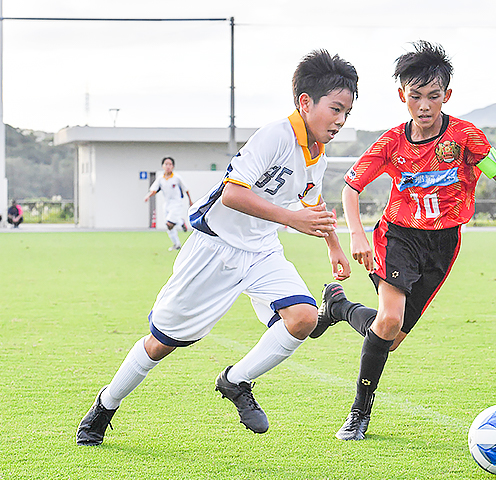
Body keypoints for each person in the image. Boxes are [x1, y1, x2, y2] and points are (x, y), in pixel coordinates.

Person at [76, 49, 358, 446]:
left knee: (303, 317)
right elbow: (231, 196)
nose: (341, 120)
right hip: (214, 249)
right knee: (159, 344)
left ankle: (236, 381)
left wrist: (333, 245)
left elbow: (313, 201)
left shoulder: (317, 154)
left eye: (348, 112)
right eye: (336, 109)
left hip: (261, 250)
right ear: (305, 102)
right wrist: (291, 219)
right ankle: (105, 405)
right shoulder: (276, 135)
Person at [310, 41, 496, 441]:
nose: (425, 106)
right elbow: (350, 188)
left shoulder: (466, 137)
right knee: (390, 318)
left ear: (446, 96)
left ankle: (338, 306)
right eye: (415, 97)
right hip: (397, 237)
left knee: (389, 337)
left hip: (443, 245)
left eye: (433, 96)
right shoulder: (392, 143)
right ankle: (358, 415)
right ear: (403, 97)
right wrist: (357, 234)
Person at [144, 157, 193, 251]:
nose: (168, 166)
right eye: (166, 164)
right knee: (169, 226)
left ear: (173, 166)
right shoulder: (160, 179)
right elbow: (154, 190)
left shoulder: (177, 177)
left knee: (169, 223)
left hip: (176, 203)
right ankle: (177, 243)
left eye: (170, 164)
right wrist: (148, 196)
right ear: (163, 166)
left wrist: (190, 201)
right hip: (167, 204)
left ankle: (181, 222)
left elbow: (186, 189)